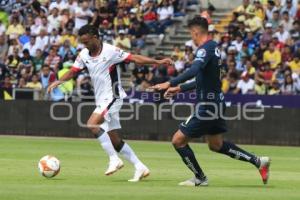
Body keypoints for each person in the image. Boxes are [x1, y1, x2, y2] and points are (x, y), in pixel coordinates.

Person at [151, 16, 271, 186]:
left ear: (195, 32)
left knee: (177, 140)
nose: (191, 37)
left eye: (191, 34)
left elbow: (194, 70)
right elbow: (206, 78)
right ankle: (259, 161)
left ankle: (200, 178)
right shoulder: (215, 48)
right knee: (216, 145)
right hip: (217, 103)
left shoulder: (204, 49)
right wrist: (181, 88)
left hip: (207, 106)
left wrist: (170, 82)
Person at [47, 25, 173, 182]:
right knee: (114, 139)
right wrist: (59, 81)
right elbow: (73, 71)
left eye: (86, 41)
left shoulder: (110, 51)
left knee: (92, 124)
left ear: (95, 37)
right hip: (102, 99)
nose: (85, 45)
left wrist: (157, 61)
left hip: (113, 95)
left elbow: (134, 58)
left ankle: (114, 159)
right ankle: (140, 167)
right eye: (82, 42)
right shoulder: (84, 54)